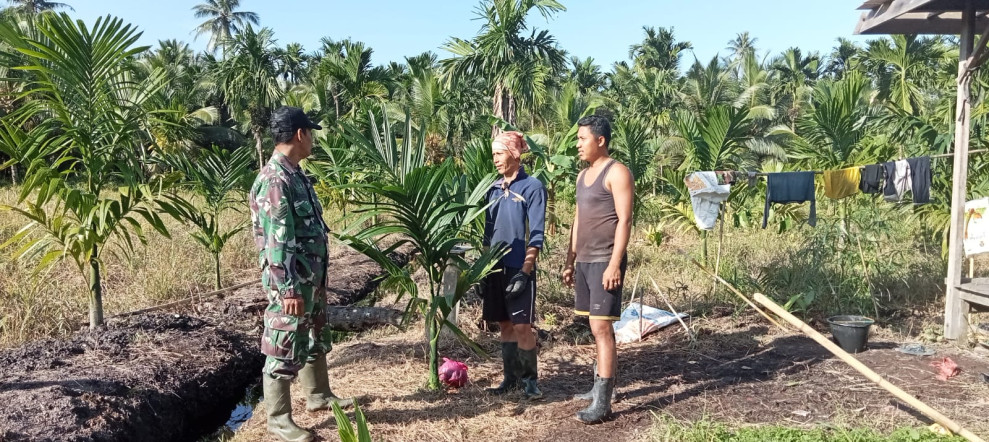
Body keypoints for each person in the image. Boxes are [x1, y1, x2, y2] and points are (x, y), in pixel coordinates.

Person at [249, 106, 353, 442]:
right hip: (291, 284)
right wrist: (288, 289)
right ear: (299, 134)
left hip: (310, 279)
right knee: (281, 344)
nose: (313, 139)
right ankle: (278, 419)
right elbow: (277, 242)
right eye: (311, 133)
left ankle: (319, 395)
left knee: (313, 335)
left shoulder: (295, 174)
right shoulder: (275, 181)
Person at [562, 115, 634, 424]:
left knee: (602, 328)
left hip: (606, 260)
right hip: (585, 260)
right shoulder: (582, 176)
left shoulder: (616, 173)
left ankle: (604, 402)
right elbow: (578, 221)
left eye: (582, 139)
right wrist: (569, 259)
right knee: (593, 327)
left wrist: (615, 263)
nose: (577, 144)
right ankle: (597, 388)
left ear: (600, 140)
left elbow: (625, 220)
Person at [481, 131, 547, 400]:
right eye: (493, 154)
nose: (495, 159)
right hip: (496, 267)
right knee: (505, 324)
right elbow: (487, 234)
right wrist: (482, 271)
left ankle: (530, 380)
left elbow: (537, 235)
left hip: (519, 267)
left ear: (515, 154)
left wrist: (525, 271)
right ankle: (510, 378)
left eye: (499, 153)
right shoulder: (493, 189)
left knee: (522, 325)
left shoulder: (532, 187)